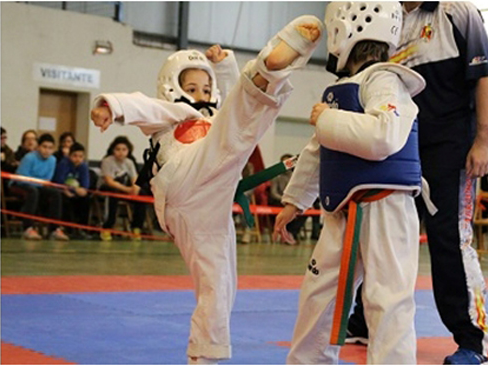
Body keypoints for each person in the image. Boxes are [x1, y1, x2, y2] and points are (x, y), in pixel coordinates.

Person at [90, 16, 322, 364]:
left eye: (205, 88)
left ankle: (205, 356)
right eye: (192, 87)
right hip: (182, 177)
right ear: (172, 85)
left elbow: (231, 108)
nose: (200, 94)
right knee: (234, 134)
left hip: (208, 204)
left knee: (220, 285)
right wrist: (111, 106)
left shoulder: (218, 119)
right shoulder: (173, 112)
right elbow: (143, 104)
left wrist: (225, 63)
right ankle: (267, 74)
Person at [346, 2, 488, 364]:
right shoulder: (382, 13)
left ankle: (475, 341)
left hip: (450, 149)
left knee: (449, 239)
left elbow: (486, 77)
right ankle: (364, 322)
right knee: (383, 233)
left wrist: (484, 141)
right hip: (398, 145)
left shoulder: (456, 12)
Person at [274, 2, 426, 364]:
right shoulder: (342, 88)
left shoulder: (387, 80)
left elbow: (384, 136)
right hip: (342, 212)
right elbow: (318, 150)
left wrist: (328, 120)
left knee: (387, 301)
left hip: (386, 207)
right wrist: (294, 201)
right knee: (318, 295)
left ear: (344, 31)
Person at [9, 133, 69, 240]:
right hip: (19, 184)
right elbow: (23, 177)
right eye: (44, 147)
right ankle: (28, 228)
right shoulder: (29, 158)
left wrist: (41, 184)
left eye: (50, 148)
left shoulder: (52, 160)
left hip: (38, 185)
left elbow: (47, 179)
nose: (47, 150)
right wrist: (39, 183)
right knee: (33, 192)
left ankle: (54, 229)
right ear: (38, 147)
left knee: (56, 193)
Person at [99, 136, 147, 241]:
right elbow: (109, 181)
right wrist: (127, 190)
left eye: (124, 149)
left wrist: (135, 188)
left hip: (125, 189)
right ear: (113, 150)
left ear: (128, 151)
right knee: (113, 193)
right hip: (108, 189)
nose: (121, 152)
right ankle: (106, 228)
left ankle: (136, 227)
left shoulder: (129, 162)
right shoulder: (107, 161)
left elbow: (135, 178)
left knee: (142, 194)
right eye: (118, 149)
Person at [53, 142, 91, 238]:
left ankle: (82, 228)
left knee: (86, 199)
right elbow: (59, 181)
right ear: (69, 155)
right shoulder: (63, 164)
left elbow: (85, 184)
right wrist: (72, 190)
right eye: (75, 156)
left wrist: (82, 190)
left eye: (80, 156)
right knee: (66, 199)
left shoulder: (83, 166)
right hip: (63, 190)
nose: (77, 159)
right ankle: (68, 228)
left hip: (76, 191)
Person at [269, 153, 307, 244]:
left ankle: (291, 232)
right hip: (278, 200)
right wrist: (286, 200)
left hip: (292, 201)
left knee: (303, 212)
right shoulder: (276, 176)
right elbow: (273, 193)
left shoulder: (295, 175)